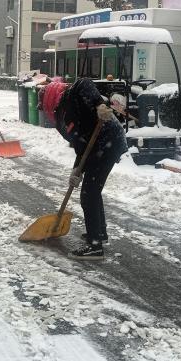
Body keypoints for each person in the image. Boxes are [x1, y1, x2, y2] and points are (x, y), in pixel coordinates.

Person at [52, 77, 127, 260]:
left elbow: (85, 83)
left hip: (107, 142)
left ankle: (95, 246)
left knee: (89, 194)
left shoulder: (72, 94)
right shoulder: (62, 119)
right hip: (102, 145)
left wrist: (99, 104)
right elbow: (81, 144)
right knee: (92, 191)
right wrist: (76, 170)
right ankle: (99, 234)